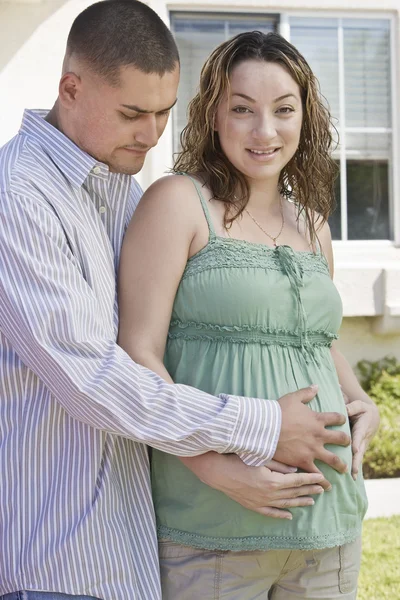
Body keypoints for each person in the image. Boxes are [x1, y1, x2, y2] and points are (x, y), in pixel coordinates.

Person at [0, 3, 356, 600]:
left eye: (163, 112)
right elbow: (95, 375)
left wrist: (354, 396)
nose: (152, 133)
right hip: (58, 554)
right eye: (133, 113)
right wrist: (258, 431)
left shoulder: (117, 186)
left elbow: (300, 332)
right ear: (70, 88)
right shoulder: (21, 196)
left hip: (129, 539)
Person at [118, 31, 380, 599]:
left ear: (305, 118)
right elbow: (138, 356)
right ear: (213, 115)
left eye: (284, 110)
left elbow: (316, 340)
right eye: (242, 109)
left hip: (329, 526)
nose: (265, 131)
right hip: (215, 526)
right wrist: (219, 470)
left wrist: (359, 400)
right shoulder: (177, 203)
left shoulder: (314, 225)